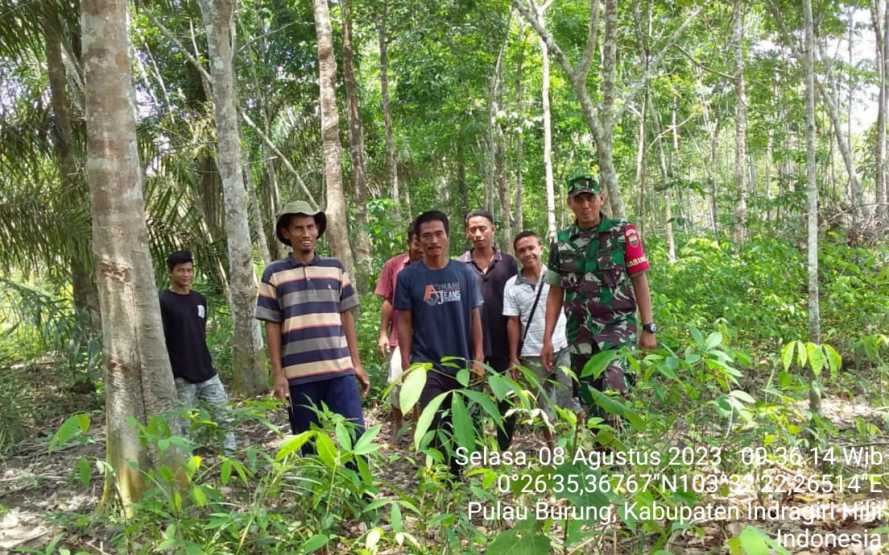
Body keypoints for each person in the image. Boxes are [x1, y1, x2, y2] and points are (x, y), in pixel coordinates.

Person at [255, 200, 370, 445]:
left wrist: (356, 364)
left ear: (318, 230)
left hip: (339, 370)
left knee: (355, 437)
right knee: (310, 444)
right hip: (299, 376)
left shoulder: (335, 268)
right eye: (298, 228)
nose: (306, 234)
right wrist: (278, 374)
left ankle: (357, 484)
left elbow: (346, 315)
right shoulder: (273, 273)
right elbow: (272, 325)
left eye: (310, 226)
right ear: (286, 233)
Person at [541, 174, 657, 414]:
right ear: (569, 203)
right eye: (579, 199)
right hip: (579, 332)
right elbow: (555, 292)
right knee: (589, 399)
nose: (585, 205)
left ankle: (620, 448)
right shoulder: (562, 242)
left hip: (617, 330)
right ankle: (600, 451)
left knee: (617, 391)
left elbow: (639, 279)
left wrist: (648, 327)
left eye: (590, 198)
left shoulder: (623, 232)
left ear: (601, 199)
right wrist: (547, 339)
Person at [394, 210, 483, 475]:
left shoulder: (464, 273)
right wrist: (407, 361)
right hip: (427, 365)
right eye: (426, 236)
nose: (433, 240)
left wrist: (478, 357)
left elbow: (474, 316)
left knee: (462, 421)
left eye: (438, 234)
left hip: (462, 362)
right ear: (418, 241)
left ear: (447, 236)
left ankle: (458, 474)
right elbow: (404, 321)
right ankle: (441, 477)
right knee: (434, 423)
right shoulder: (408, 277)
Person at [503, 231, 579, 448]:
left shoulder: (558, 277)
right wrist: (514, 358)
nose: (528, 254)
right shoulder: (512, 285)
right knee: (543, 406)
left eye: (531, 248)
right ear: (516, 255)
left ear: (541, 248)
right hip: (531, 354)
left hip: (563, 348)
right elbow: (513, 322)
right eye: (521, 250)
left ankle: (572, 447)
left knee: (568, 400)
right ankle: (552, 449)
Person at [159, 250, 236, 455]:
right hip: (182, 375)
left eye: (189, 270)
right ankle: (188, 465)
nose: (185, 275)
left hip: (207, 371)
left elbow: (200, 333)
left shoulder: (199, 299)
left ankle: (230, 456)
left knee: (223, 415)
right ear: (171, 272)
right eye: (180, 270)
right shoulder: (163, 301)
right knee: (185, 424)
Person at [458, 209, 518, 450]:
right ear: (467, 233)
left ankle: (503, 448)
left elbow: (518, 305)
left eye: (483, 228)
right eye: (473, 229)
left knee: (506, 400)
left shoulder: (509, 263)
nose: (478, 233)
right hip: (471, 347)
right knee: (472, 399)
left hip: (504, 343)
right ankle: (476, 449)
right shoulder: (459, 265)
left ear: (493, 229)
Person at [375, 222, 423, 442]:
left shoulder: (436, 267)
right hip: (399, 336)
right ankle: (397, 421)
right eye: (416, 242)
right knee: (397, 380)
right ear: (409, 242)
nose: (421, 247)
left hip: (427, 337)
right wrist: (383, 333)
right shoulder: (394, 265)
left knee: (423, 383)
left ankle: (418, 428)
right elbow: (388, 300)